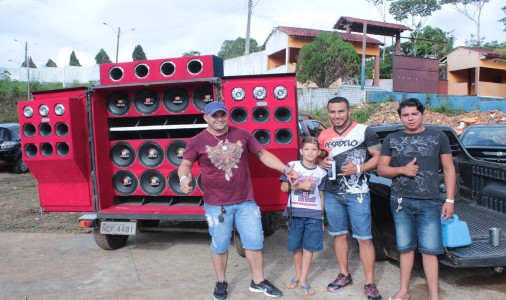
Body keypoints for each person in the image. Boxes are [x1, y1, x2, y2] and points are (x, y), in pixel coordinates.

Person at [178, 101, 297, 300]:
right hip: (217, 205)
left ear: (227, 115)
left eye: (222, 114)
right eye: (214, 116)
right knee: (220, 245)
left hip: (245, 201)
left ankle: (258, 282)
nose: (219, 119)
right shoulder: (197, 141)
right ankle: (221, 282)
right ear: (205, 118)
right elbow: (185, 164)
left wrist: (285, 169)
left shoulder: (242, 134)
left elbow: (262, 154)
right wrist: (183, 178)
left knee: (255, 242)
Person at [377, 98, 456, 300]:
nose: (410, 118)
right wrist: (402, 170)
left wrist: (449, 200)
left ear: (422, 114)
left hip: (430, 201)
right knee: (405, 248)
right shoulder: (391, 139)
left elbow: (448, 169)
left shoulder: (438, 136)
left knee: (430, 250)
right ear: (400, 117)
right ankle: (404, 290)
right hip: (401, 201)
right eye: (406, 115)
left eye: (414, 114)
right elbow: (381, 169)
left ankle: (434, 295)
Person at [317, 96, 383, 300]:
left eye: (341, 111)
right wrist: (321, 162)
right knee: (339, 235)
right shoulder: (323, 134)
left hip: (358, 193)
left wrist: (358, 168)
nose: (336, 116)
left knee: (364, 239)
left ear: (348, 111)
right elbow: (319, 156)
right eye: (332, 112)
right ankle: (344, 275)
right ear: (328, 112)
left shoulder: (365, 130)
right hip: (332, 192)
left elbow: (379, 157)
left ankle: (370, 283)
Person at [280, 136, 326, 296]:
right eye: (307, 149)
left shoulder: (322, 172)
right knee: (295, 247)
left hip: (313, 214)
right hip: (295, 213)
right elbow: (283, 187)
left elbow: (321, 196)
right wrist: (300, 185)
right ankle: (298, 274)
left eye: (314, 149)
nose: (310, 152)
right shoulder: (292, 166)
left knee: (309, 247)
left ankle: (304, 279)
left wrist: (322, 217)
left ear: (319, 152)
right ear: (301, 151)